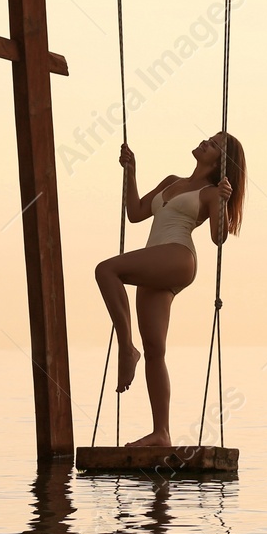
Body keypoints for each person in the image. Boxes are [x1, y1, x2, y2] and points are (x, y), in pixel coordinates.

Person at [94, 132, 246, 448]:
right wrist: (131, 171)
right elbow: (135, 213)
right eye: (208, 138)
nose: (205, 142)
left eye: (214, 144)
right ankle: (161, 433)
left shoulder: (209, 192)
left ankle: (125, 348)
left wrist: (223, 200)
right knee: (156, 351)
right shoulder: (171, 181)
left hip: (178, 257)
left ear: (220, 161)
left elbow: (218, 239)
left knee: (106, 269)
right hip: (156, 262)